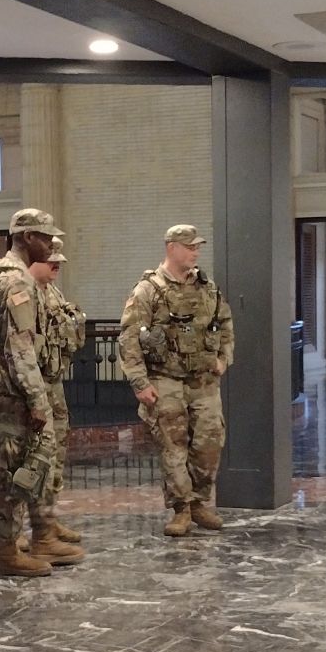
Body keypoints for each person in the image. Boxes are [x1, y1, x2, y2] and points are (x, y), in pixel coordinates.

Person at [0, 209, 84, 578]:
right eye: (44, 237)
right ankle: (6, 553)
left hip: (12, 390)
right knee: (9, 472)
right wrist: (38, 401)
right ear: (25, 237)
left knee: (25, 468)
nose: (52, 244)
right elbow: (20, 347)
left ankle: (31, 538)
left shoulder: (14, 276)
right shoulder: (15, 282)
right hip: (13, 395)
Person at [119, 225, 234, 537]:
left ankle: (200, 502)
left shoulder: (206, 287)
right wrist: (140, 383)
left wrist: (224, 356)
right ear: (171, 248)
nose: (196, 251)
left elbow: (224, 322)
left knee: (210, 441)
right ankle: (181, 508)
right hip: (165, 378)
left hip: (204, 379)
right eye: (189, 246)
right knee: (174, 446)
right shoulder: (148, 290)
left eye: (197, 246)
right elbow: (129, 338)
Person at [27, 237, 85, 547]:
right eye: (52, 261)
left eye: (59, 262)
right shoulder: (22, 291)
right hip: (31, 388)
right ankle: (32, 530)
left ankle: (48, 520)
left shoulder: (51, 291)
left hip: (53, 383)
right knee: (34, 458)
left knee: (56, 453)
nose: (57, 266)